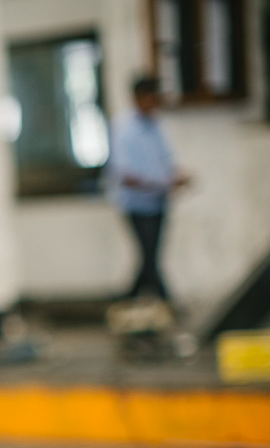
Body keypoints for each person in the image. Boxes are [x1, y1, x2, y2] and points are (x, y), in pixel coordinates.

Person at [107, 75, 190, 301]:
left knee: (151, 258)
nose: (154, 104)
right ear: (138, 97)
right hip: (136, 204)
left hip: (158, 202)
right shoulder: (124, 128)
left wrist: (177, 177)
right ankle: (165, 301)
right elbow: (124, 175)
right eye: (151, 98)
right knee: (149, 257)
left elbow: (166, 160)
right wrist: (161, 183)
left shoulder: (155, 125)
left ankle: (129, 301)